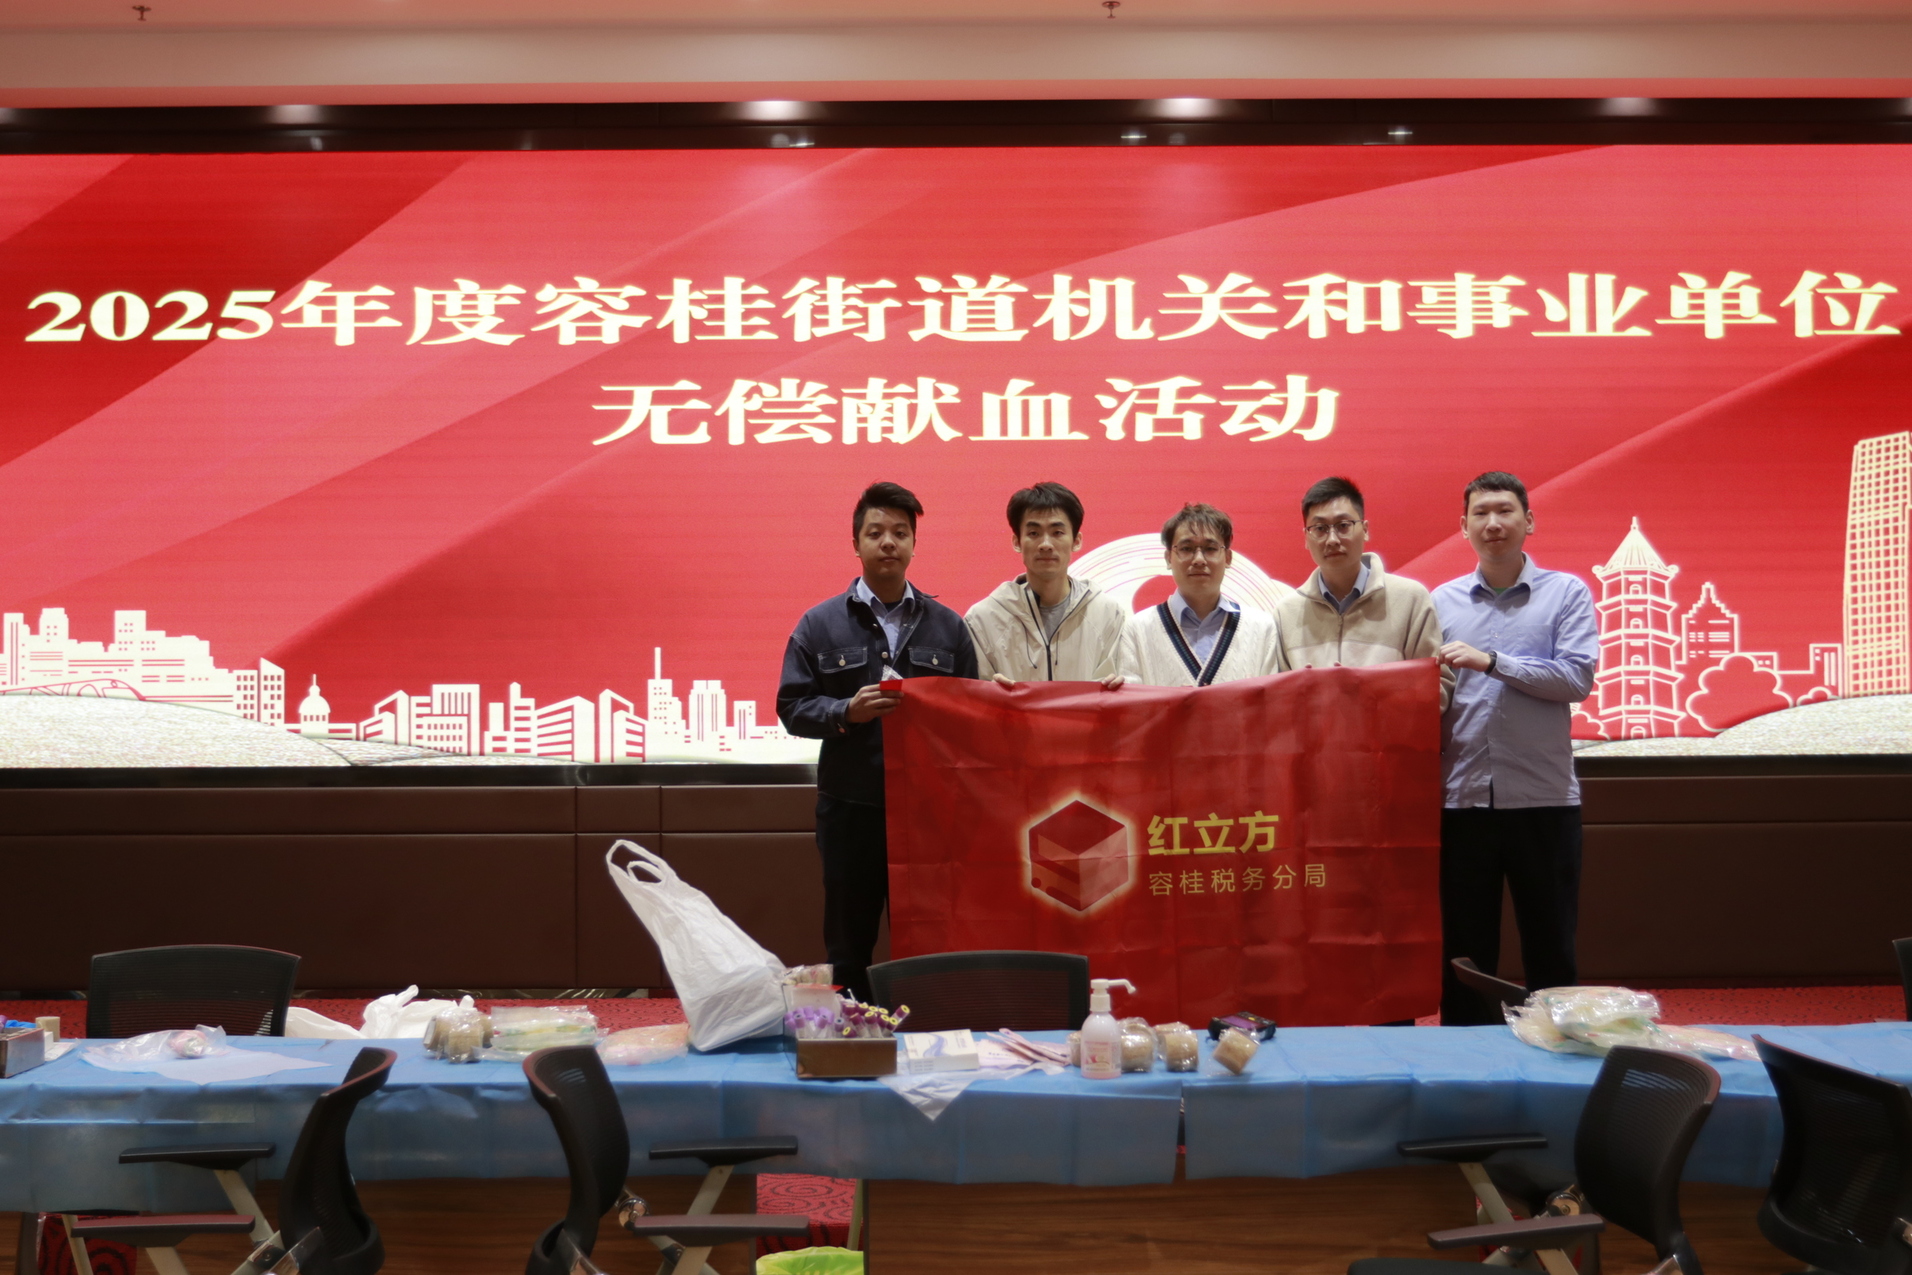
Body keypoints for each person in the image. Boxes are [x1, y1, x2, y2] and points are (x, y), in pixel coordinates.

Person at [776, 481, 978, 1001]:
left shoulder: (949, 628)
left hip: (929, 814)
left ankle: (934, 1033)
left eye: (900, 532)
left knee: (932, 940)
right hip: (850, 811)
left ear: (914, 544)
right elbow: (791, 708)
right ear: (856, 543)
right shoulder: (818, 625)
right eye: (875, 532)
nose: (888, 542)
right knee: (849, 944)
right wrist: (847, 711)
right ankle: (852, 1036)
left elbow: (971, 719)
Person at [1431, 471, 1598, 1025]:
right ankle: (1464, 1058)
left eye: (1505, 511)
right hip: (1462, 802)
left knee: (1551, 947)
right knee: (1464, 954)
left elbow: (1575, 679)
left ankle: (1558, 1056)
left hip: (1543, 800)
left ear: (1529, 521)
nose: (1493, 523)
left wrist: (1493, 662)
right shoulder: (1441, 601)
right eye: (1480, 513)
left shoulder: (1567, 593)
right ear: (1463, 527)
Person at [1274, 476, 1454, 709]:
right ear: (1306, 538)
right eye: (1320, 529)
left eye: (1343, 526)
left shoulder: (1410, 599)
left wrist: (1370, 696)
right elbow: (1279, 700)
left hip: (1389, 733)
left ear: (1365, 530)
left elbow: (1437, 689)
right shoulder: (1286, 613)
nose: (1332, 539)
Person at [964, 481, 1127, 688]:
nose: (1046, 544)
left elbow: (1121, 689)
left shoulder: (1108, 614)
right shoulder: (982, 619)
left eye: (1057, 533)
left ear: (1076, 540)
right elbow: (972, 695)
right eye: (1034, 533)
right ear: (1017, 542)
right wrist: (991, 693)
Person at [1117, 502, 1281, 686]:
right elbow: (1131, 699)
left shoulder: (1261, 627)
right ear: (1168, 558)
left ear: (1228, 558)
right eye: (1186, 549)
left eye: (1210, 549)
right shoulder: (1138, 629)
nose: (1199, 560)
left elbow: (1271, 700)